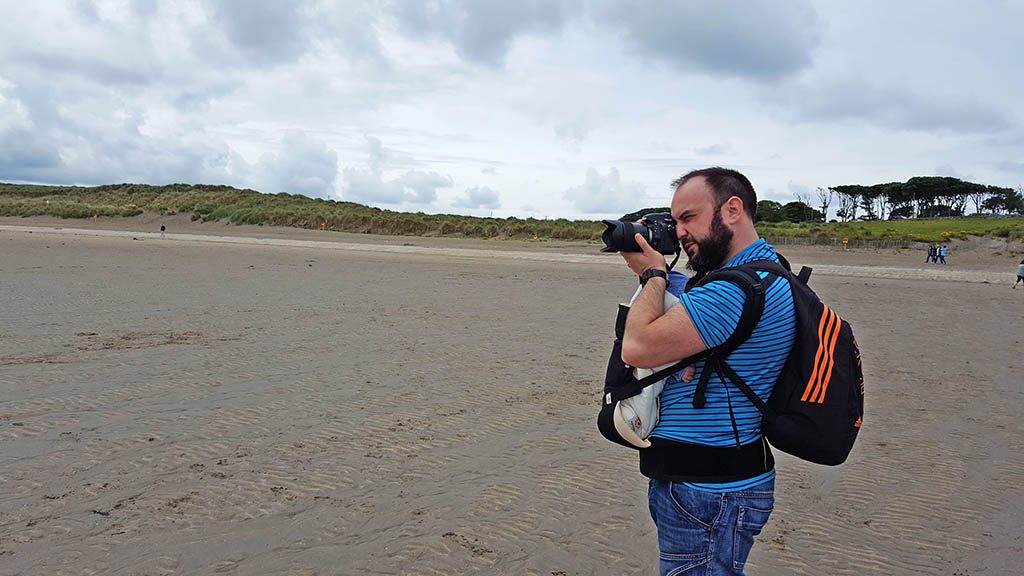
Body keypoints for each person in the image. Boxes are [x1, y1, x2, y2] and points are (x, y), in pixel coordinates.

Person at [618, 167, 797, 575]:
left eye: (688, 218)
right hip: (715, 481)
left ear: (732, 209)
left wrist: (653, 275)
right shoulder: (767, 271)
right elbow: (701, 301)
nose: (680, 232)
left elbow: (638, 347)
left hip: (708, 491)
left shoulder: (732, 291)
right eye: (674, 221)